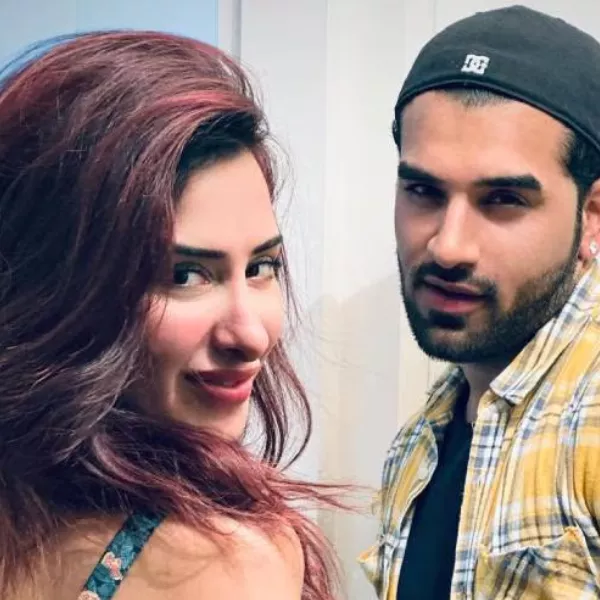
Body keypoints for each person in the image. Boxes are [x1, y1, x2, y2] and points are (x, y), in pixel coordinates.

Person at [0, 31, 341, 600]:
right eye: (185, 275)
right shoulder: (222, 563)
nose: (250, 334)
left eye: (262, 267)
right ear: (62, 285)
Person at [359, 5, 600, 599]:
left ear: (592, 216)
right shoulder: (417, 446)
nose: (448, 246)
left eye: (503, 200)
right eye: (423, 190)